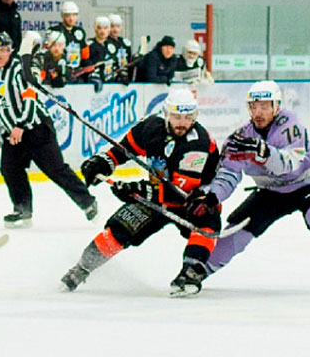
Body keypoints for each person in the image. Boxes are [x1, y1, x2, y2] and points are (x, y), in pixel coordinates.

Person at [200, 80, 310, 294]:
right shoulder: (241, 137)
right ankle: (198, 270)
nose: (258, 112)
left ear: (276, 106)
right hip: (272, 192)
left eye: (264, 106)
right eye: (254, 107)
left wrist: (264, 153)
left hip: (307, 184)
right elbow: (228, 173)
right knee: (239, 227)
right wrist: (214, 195)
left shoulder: (291, 126)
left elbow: (289, 166)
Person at [63, 86, 220, 296]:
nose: (182, 123)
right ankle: (82, 268)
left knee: (207, 222)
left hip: (192, 200)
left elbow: (178, 193)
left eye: (188, 117)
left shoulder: (198, 143)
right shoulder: (151, 127)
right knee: (119, 227)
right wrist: (103, 162)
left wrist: (136, 190)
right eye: (177, 116)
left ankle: (190, 273)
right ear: (166, 113)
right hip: (156, 195)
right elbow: (122, 150)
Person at [0, 31, 97, 227]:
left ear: (11, 51)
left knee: (55, 169)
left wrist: (20, 125)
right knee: (10, 168)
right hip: (12, 133)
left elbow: (30, 97)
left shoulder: (20, 69)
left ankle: (88, 202)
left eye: (3, 50)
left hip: (36, 128)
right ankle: (22, 209)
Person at [48, 0, 88, 75]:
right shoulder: (55, 31)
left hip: (77, 72)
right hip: (60, 71)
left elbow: (85, 53)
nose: (71, 19)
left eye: (74, 15)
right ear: (62, 16)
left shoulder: (79, 31)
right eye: (68, 15)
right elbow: (47, 54)